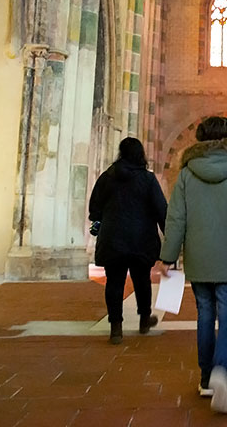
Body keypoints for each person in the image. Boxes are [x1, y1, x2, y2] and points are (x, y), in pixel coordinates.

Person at [155, 116, 227, 414]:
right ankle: (223, 370)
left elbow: (176, 218)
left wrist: (167, 256)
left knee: (205, 314)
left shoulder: (186, 174)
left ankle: (207, 377)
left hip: (198, 256)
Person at [88, 137, 167, 345]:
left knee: (114, 282)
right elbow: (161, 210)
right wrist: (171, 236)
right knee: (142, 280)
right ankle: (144, 319)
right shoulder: (148, 179)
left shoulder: (107, 177)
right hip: (142, 239)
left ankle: (116, 327)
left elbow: (94, 206)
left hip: (113, 238)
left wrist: (101, 219)